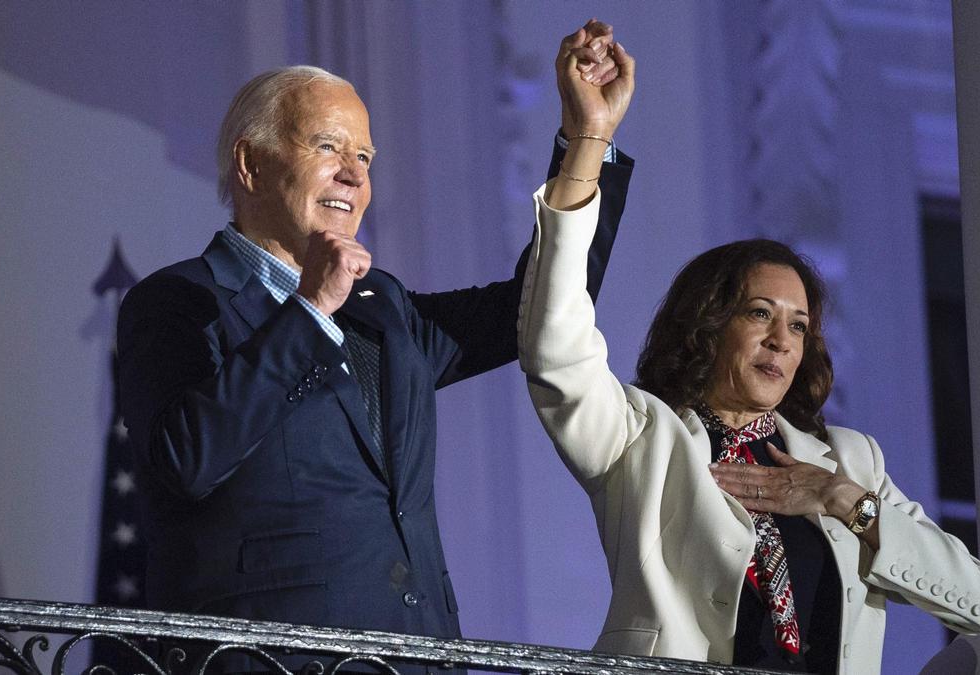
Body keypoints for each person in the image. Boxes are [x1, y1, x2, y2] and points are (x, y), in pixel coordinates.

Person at [115, 21, 632, 656]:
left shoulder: (380, 305)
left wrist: (589, 139)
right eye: (328, 148)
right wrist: (311, 309)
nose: (354, 176)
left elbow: (534, 311)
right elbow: (185, 461)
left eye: (364, 158)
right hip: (275, 661)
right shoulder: (178, 302)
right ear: (250, 164)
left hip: (420, 652)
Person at [520, 36, 980, 673]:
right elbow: (557, 348)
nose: (782, 340)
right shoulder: (642, 438)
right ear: (708, 326)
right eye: (759, 314)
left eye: (799, 327)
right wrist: (589, 141)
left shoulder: (851, 461)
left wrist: (842, 500)